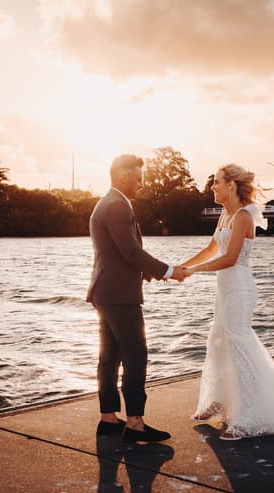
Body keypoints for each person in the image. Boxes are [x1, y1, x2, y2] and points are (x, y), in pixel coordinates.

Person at [179, 164, 274, 440]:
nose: (213, 187)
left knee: (238, 345)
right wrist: (181, 268)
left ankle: (249, 418)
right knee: (218, 341)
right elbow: (211, 249)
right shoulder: (225, 214)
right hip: (224, 289)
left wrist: (192, 272)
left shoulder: (244, 217)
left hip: (239, 288)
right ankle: (220, 401)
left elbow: (230, 258)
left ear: (231, 186)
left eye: (217, 183)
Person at [87, 154, 186, 443]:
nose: (142, 185)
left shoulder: (105, 203)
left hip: (106, 292)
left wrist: (149, 274)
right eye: (139, 178)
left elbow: (118, 255)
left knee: (109, 356)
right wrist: (169, 271)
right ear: (122, 177)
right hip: (119, 296)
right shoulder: (117, 205)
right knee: (135, 355)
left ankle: (108, 418)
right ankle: (135, 423)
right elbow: (131, 252)